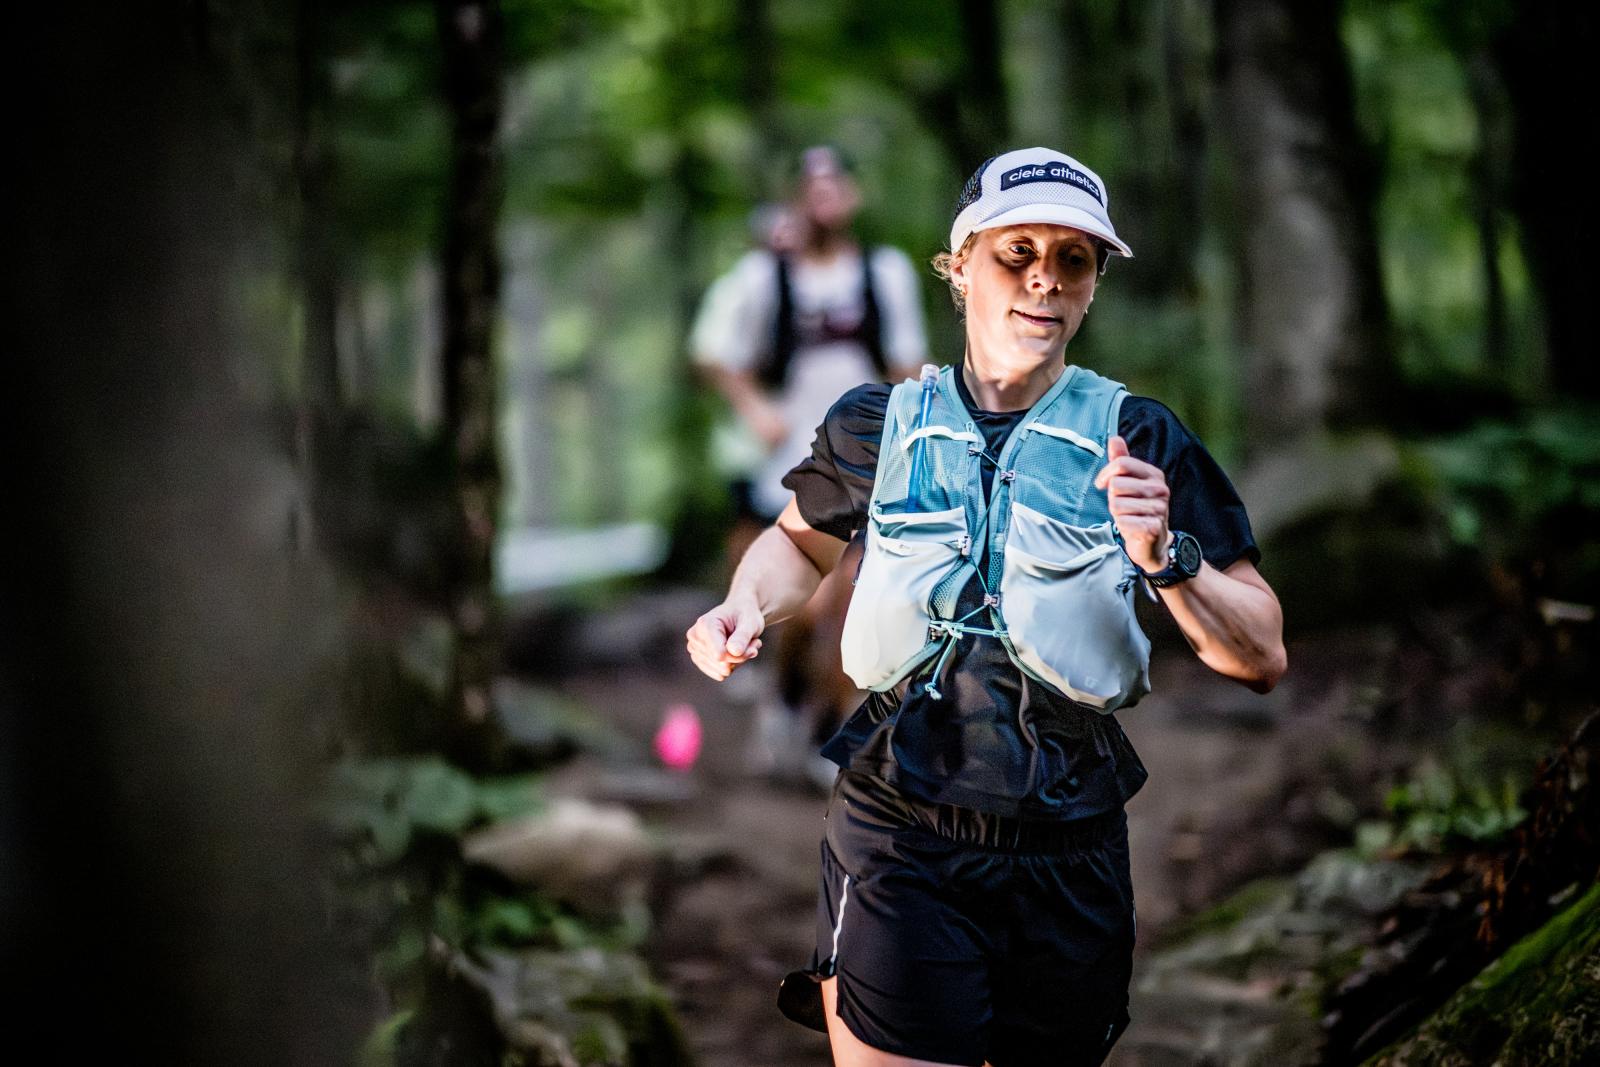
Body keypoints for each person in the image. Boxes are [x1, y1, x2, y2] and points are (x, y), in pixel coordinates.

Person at [685, 146, 1286, 1067]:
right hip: (899, 823)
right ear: (960, 266)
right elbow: (798, 543)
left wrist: (1169, 558)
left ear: (1093, 285)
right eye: (1018, 252)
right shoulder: (876, 424)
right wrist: (744, 606)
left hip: (1071, 844)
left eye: (1074, 259)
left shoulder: (1139, 438)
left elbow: (1262, 653)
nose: (1046, 277)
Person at [690, 145, 929, 784]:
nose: (824, 196)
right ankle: (787, 697)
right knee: (808, 603)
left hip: (872, 460)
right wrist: (753, 409)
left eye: (835, 183)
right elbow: (715, 352)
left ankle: (828, 723)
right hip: (791, 461)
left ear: (854, 194)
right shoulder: (763, 277)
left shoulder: (884, 274)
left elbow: (906, 362)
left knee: (853, 594)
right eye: (811, 185)